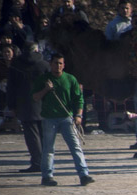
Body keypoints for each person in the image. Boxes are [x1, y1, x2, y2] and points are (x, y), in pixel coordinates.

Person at [31, 52, 94, 186]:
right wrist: (46, 90)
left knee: (75, 146)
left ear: (64, 65)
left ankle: (84, 174)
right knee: (48, 148)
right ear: (50, 64)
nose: (58, 66)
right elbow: (35, 97)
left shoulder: (70, 79)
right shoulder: (43, 79)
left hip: (67, 117)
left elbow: (79, 99)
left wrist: (78, 115)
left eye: (60, 63)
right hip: (49, 119)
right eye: (55, 63)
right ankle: (47, 176)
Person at [7, 41, 48, 172]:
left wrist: (11, 105)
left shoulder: (16, 64)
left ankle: (37, 162)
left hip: (24, 103)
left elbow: (11, 87)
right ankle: (46, 163)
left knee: (31, 136)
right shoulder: (44, 64)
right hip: (44, 103)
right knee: (43, 135)